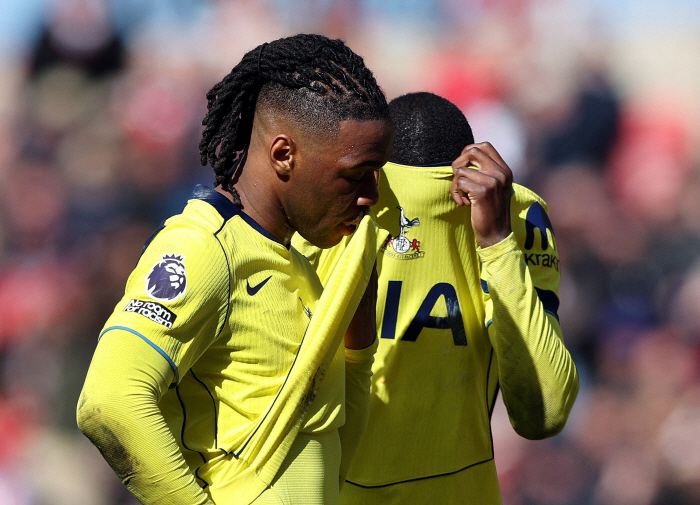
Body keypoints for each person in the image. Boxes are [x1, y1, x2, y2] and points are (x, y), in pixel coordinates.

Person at [76, 34, 394, 505]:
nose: (371, 193)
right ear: (284, 155)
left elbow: (323, 447)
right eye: (355, 174)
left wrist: (359, 353)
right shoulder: (201, 248)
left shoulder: (296, 259)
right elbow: (109, 402)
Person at [331, 92, 580, 504]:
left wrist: (498, 243)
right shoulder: (517, 212)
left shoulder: (326, 200)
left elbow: (544, 414)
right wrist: (498, 242)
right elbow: (545, 414)